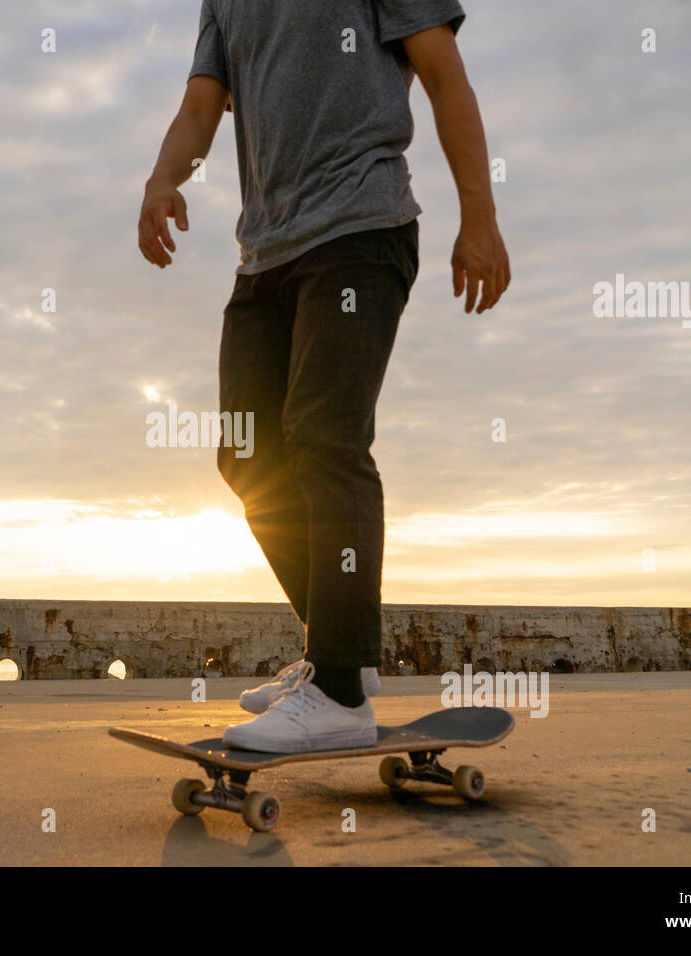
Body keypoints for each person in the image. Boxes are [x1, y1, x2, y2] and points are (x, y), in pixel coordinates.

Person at [137, 0, 509, 753]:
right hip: (265, 255)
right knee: (246, 455)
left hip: (361, 228)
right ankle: (339, 649)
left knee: (325, 437)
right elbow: (202, 105)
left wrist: (480, 215)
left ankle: (338, 689)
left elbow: (442, 71)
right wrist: (162, 178)